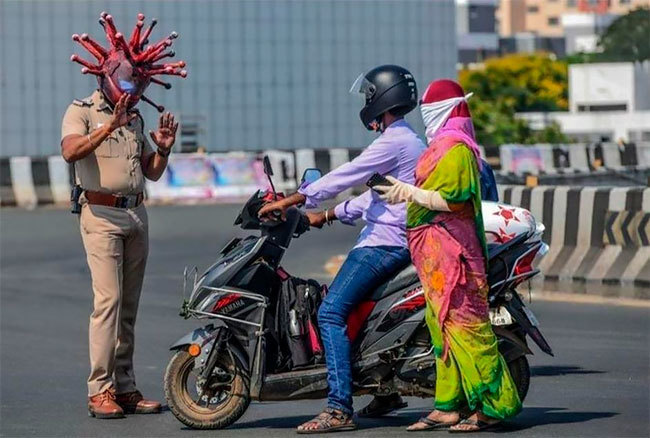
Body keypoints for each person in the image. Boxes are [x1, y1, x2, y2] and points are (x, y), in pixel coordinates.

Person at [258, 65, 425, 433]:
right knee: (357, 313)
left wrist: (294, 199)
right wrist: (328, 214)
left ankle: (338, 409)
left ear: (382, 98)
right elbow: (377, 197)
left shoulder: (394, 142)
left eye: (369, 95)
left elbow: (349, 173)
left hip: (384, 244)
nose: (365, 102)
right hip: (389, 238)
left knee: (330, 313)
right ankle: (385, 391)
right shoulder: (406, 140)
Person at [375, 79, 521, 432]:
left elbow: (454, 201)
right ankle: (447, 406)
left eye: (427, 108)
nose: (423, 114)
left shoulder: (455, 149)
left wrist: (410, 193)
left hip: (454, 259)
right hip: (436, 260)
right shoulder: (440, 146)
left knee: (468, 331)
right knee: (441, 332)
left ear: (439, 110)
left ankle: (496, 405)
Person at [61, 12, 186, 419]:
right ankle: (100, 389)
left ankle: (126, 387)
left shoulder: (135, 116)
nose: (132, 90)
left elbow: (148, 172)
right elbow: (70, 151)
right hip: (99, 216)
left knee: (128, 307)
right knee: (109, 303)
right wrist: (108, 125)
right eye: (127, 82)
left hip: (136, 217)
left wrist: (163, 149)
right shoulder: (80, 110)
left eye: (138, 84)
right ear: (106, 76)